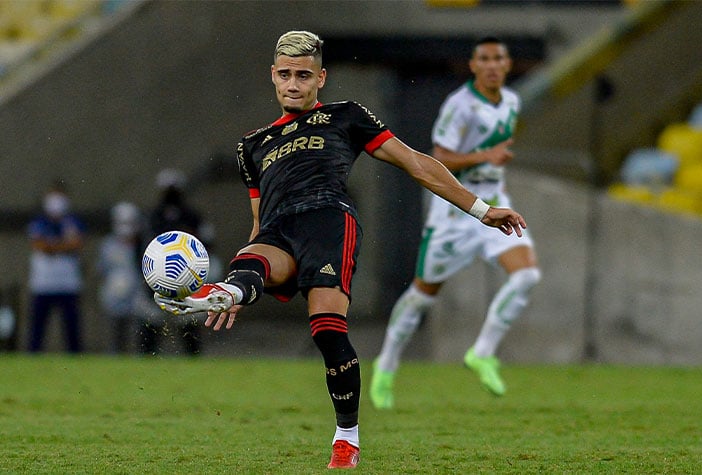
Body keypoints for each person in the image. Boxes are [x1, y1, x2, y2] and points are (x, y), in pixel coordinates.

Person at [152, 30, 527, 470]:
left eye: (304, 76)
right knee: (253, 256)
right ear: (273, 77)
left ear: (321, 78)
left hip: (328, 222)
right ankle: (230, 290)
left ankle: (346, 438)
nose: (294, 84)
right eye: (286, 75)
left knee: (328, 333)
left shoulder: (345, 117)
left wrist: (480, 209)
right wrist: (243, 281)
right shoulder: (251, 146)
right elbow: (258, 224)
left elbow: (416, 163)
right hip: (276, 232)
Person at [370, 37, 542, 409]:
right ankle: (386, 364)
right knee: (422, 296)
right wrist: (486, 156)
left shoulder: (511, 101)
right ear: (474, 65)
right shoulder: (459, 105)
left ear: (508, 64)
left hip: (497, 202)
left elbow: (495, 159)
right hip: (455, 212)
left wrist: (493, 171)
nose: (493, 65)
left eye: (499, 58)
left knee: (527, 274)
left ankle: (482, 352)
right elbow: (440, 157)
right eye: (485, 59)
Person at [141, 169, 206, 356]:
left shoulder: (192, 215)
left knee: (187, 320)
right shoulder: (153, 216)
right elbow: (144, 245)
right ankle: (147, 356)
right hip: (157, 274)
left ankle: (193, 356)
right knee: (152, 319)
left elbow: (206, 242)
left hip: (187, 274)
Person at [26, 182, 87, 353]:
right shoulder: (39, 221)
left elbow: (77, 243)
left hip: (68, 283)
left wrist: (53, 246)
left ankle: (76, 358)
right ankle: (33, 357)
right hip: (42, 283)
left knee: (72, 329)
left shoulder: (73, 221)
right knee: (37, 328)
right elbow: (39, 245)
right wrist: (63, 246)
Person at [97, 201, 156, 354]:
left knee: (142, 333)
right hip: (116, 296)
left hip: (139, 296)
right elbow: (102, 270)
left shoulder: (144, 245)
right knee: (117, 333)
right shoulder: (108, 245)